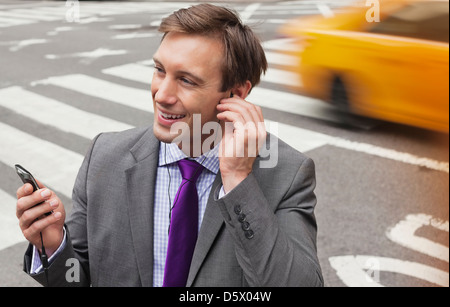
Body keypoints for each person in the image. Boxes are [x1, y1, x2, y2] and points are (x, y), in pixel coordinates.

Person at [15, 4, 323, 287]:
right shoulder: (104, 157)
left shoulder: (287, 173)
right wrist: (54, 246)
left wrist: (238, 179)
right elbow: (76, 278)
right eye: (160, 70)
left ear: (236, 95)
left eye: (187, 80)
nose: (161, 94)